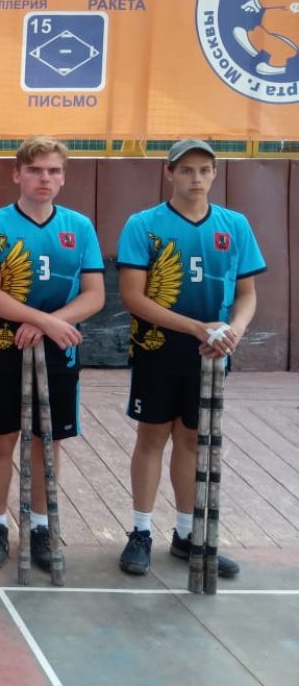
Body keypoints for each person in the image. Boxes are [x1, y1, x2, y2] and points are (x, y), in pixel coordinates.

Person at [116, 138, 264, 578]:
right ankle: (141, 531)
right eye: (186, 170)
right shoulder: (144, 225)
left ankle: (187, 534)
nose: (196, 178)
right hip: (159, 348)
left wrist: (233, 331)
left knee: (192, 438)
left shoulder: (235, 225)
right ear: (169, 173)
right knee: (152, 436)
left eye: (204, 170)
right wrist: (197, 327)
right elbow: (133, 297)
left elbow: (247, 295)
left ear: (215, 174)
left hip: (212, 351)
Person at [0, 136, 104, 571]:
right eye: (35, 170)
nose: (44, 178)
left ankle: (41, 527)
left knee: (49, 440)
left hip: (59, 349)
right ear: (17, 175)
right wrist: (42, 320)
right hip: (1, 347)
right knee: (0, 438)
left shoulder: (79, 227)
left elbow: (95, 294)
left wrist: (50, 323)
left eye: (53, 171)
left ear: (63, 178)